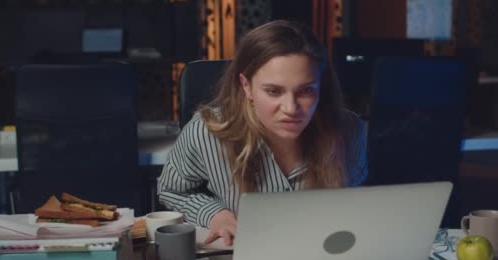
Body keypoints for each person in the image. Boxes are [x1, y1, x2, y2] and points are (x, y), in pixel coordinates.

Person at [157, 20, 367, 246]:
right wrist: (213, 214)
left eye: (306, 90)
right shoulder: (206, 131)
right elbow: (171, 190)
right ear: (246, 86)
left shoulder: (349, 131)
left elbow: (354, 203)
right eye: (274, 91)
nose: (291, 108)